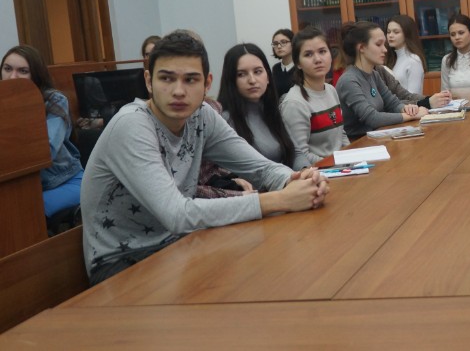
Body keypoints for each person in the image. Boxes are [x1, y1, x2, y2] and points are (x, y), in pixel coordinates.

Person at [79, 31, 329, 284]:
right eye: (166, 78)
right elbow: (177, 214)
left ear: (207, 83)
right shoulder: (132, 125)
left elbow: (260, 168)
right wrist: (278, 200)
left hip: (181, 245)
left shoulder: (202, 116)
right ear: (148, 80)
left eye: (191, 79)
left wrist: (298, 179)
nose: (178, 91)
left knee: (279, 273)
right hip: (122, 264)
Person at [2, 45, 84, 221]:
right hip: (21, 188)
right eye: (7, 69)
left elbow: (46, 150)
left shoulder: (54, 100)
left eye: (23, 71)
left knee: (18, 216)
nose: (12, 77)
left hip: (64, 182)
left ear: (35, 75)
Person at [336, 21, 428, 140]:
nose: (385, 49)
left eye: (384, 44)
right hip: (358, 143)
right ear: (362, 48)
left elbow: (392, 103)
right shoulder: (348, 80)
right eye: (379, 44)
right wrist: (410, 116)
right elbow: (372, 118)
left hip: (377, 138)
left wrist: (406, 108)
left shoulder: (374, 74)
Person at [217, 43, 299, 169]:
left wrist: (305, 171)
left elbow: (297, 152)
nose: (252, 80)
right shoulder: (224, 120)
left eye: (257, 72)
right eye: (241, 74)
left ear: (267, 77)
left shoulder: (272, 110)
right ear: (231, 81)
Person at [280, 26, 350, 166]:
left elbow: (341, 135)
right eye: (308, 54)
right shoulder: (295, 103)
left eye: (322, 51)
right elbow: (300, 155)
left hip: (343, 167)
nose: (318, 59)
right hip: (320, 173)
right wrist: (339, 164)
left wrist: (351, 157)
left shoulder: (331, 90)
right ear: (298, 63)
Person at [440, 13, 470, 91]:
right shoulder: (447, 60)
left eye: (461, 33)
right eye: (453, 34)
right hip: (455, 102)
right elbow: (445, 91)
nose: (457, 37)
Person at [384, 15, 425, 95]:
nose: (390, 35)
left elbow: (414, 96)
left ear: (407, 34)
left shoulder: (414, 60)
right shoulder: (390, 58)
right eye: (388, 32)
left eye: (396, 32)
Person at [270, 28, 296, 98]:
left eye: (283, 42)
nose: (279, 46)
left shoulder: (301, 66)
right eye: (275, 44)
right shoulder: (276, 68)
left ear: (293, 43)